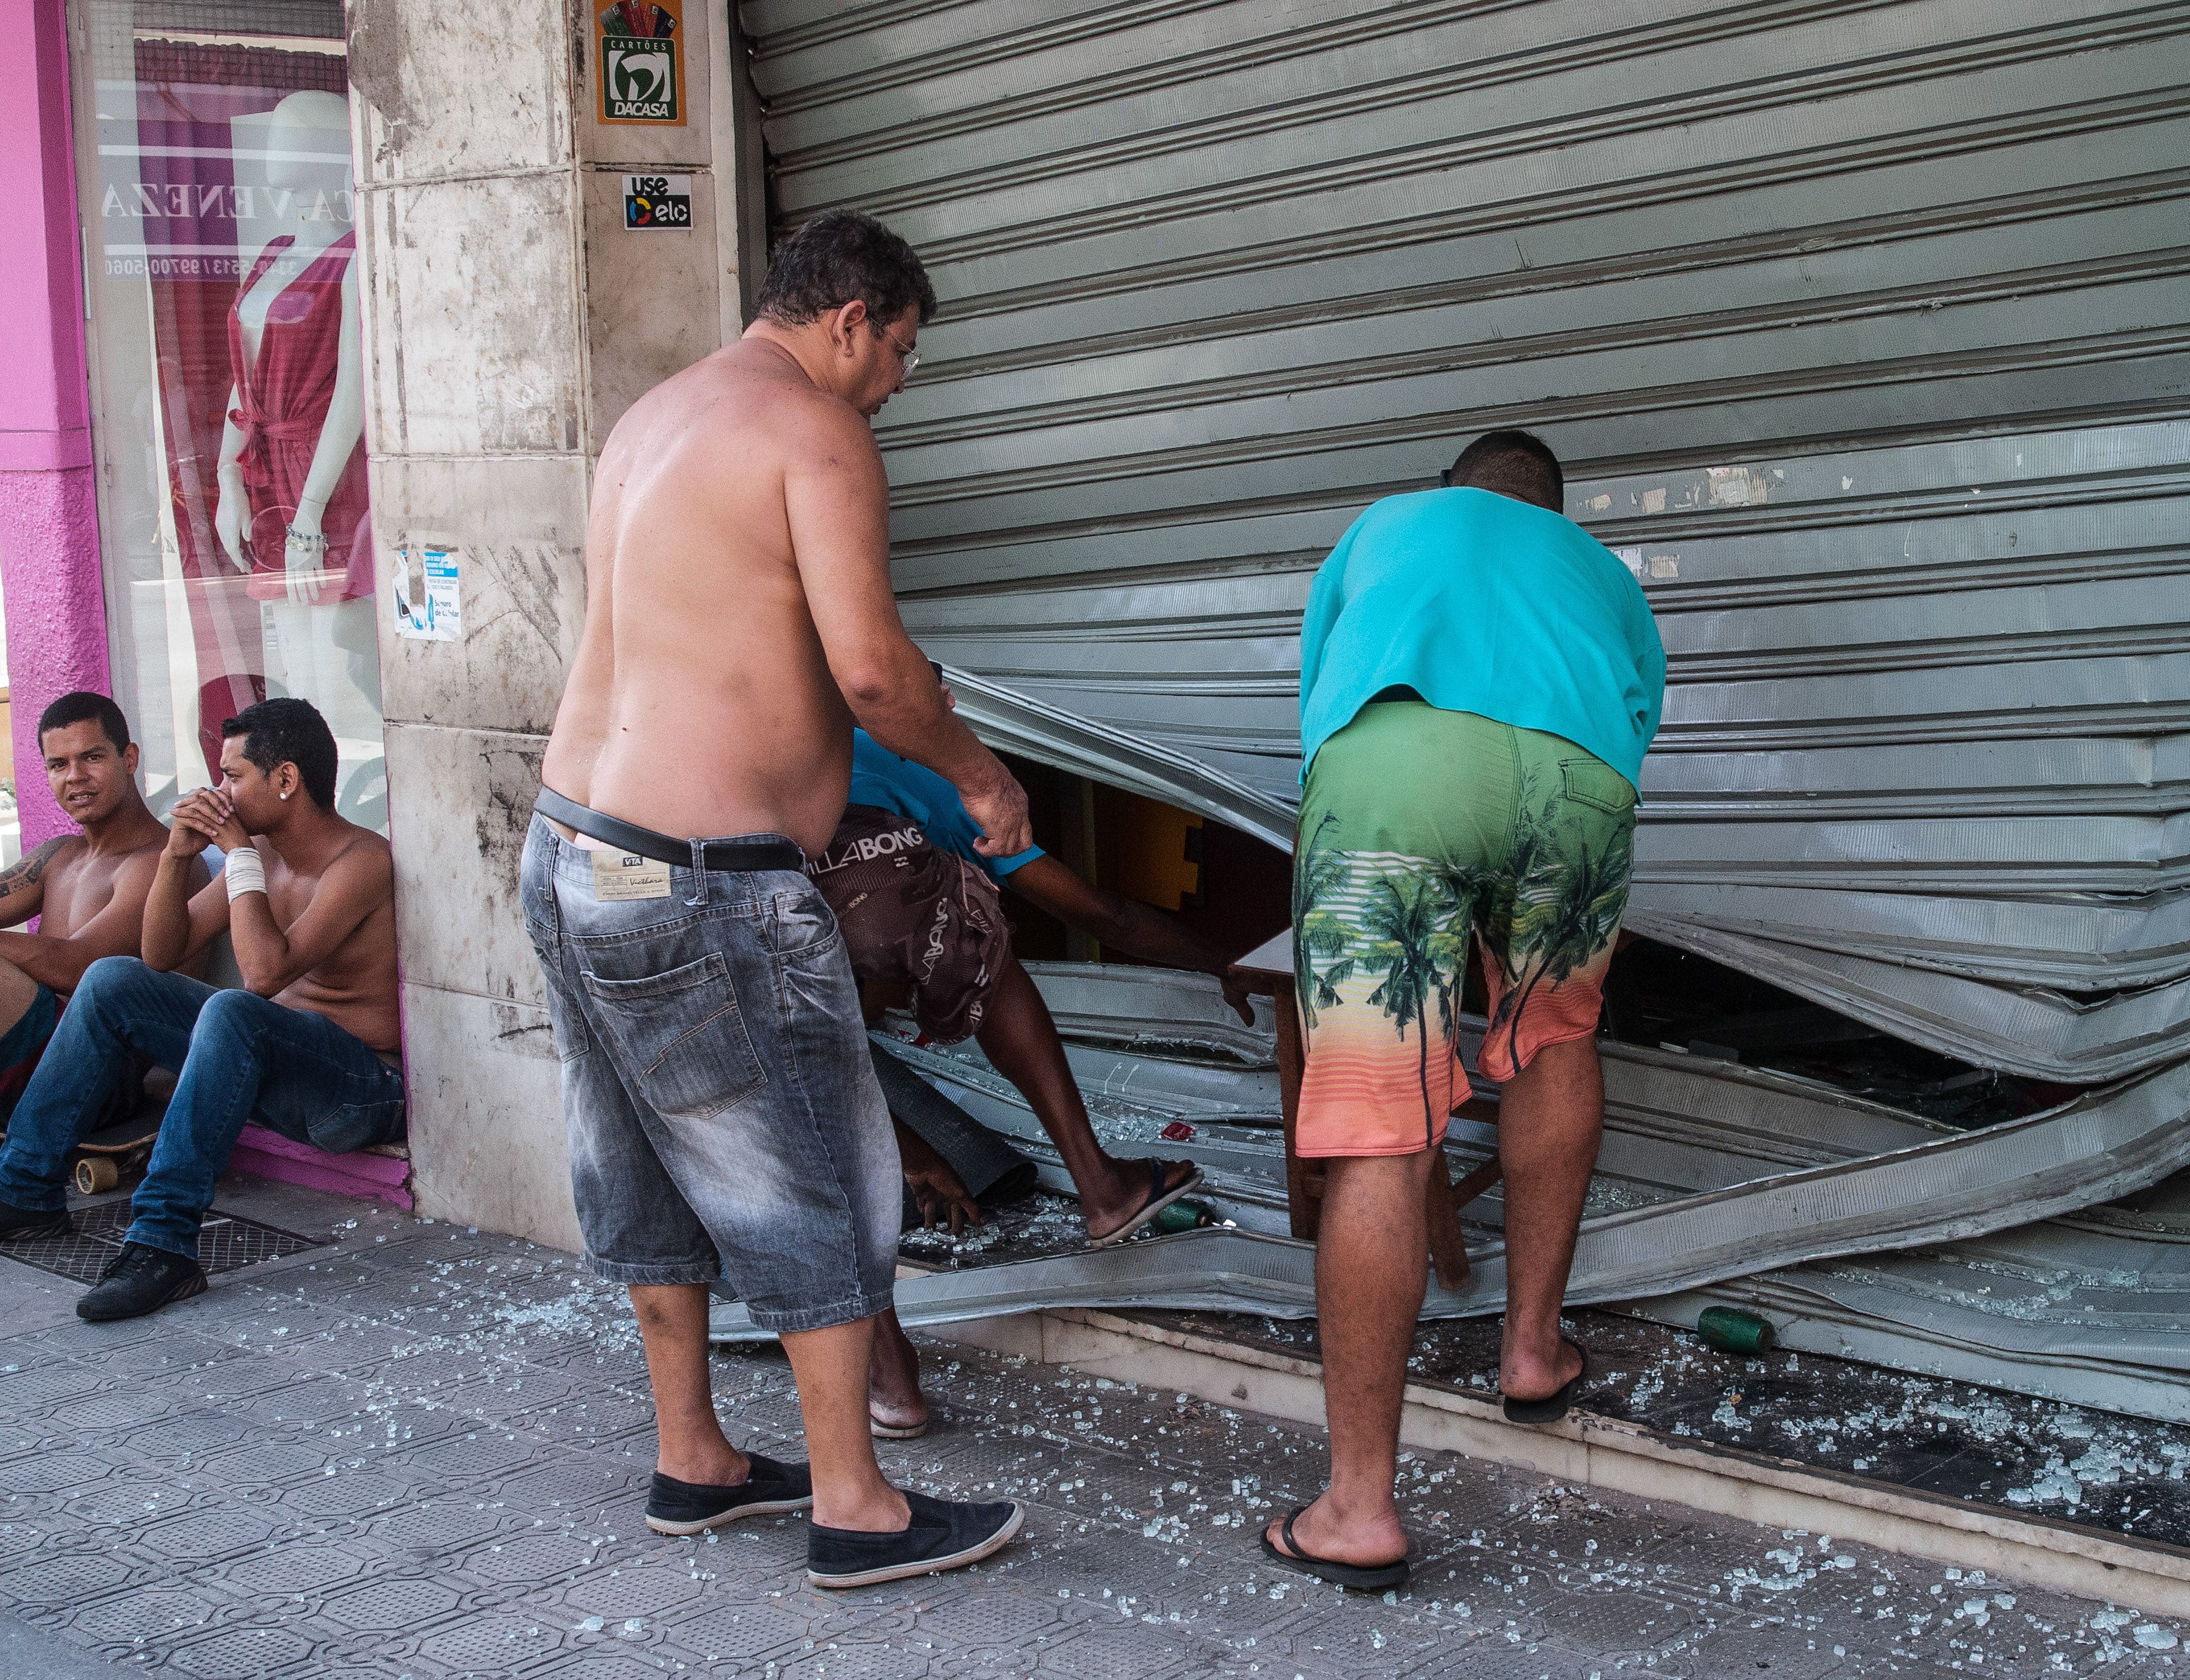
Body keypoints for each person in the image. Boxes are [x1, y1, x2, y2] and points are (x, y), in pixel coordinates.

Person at [522, 207, 1029, 1591]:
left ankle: (694, 1458)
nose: (898, 384)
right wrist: (982, 785)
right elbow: (873, 673)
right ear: (854, 319)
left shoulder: (655, 420)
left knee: (639, 1157)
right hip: (697, 883)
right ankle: (855, 1506)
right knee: (812, 1161)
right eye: (904, 352)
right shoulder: (813, 429)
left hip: (573, 850)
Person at [1262, 430, 1665, 1591]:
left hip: (1394, 765)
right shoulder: (1600, 572)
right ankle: (1532, 1349)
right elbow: (1633, 724)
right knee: (1554, 1042)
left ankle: (1357, 1507)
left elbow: (1321, 693)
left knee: (1383, 1123)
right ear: (1554, 509)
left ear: (1452, 493)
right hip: (1578, 785)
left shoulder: (1388, 523)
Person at [815, 717, 1263, 1435]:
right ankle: (1101, 1184)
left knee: (806, 1053)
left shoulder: (794, 741)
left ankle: (893, 1382)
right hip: (875, 887)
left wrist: (914, 1152)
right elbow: (1103, 915)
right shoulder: (936, 776)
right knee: (988, 959)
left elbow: (823, 1057)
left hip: (763, 901)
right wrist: (1223, 964)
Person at [0, 698, 404, 1322]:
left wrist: (238, 853)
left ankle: (163, 1246)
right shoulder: (266, 859)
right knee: (112, 980)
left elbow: (266, 975)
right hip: (273, 1067)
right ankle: (24, 1191)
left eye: (233, 778)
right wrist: (176, 857)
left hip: (356, 1090)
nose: (219, 792)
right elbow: (160, 955)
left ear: (287, 781)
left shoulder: (360, 862)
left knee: (235, 1009)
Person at [0, 694, 205, 1110]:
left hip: (97, 1072)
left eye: (91, 757)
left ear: (128, 758)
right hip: (32, 1055)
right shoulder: (60, 855)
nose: (75, 776)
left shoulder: (162, 861)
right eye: (58, 765)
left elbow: (83, 968)